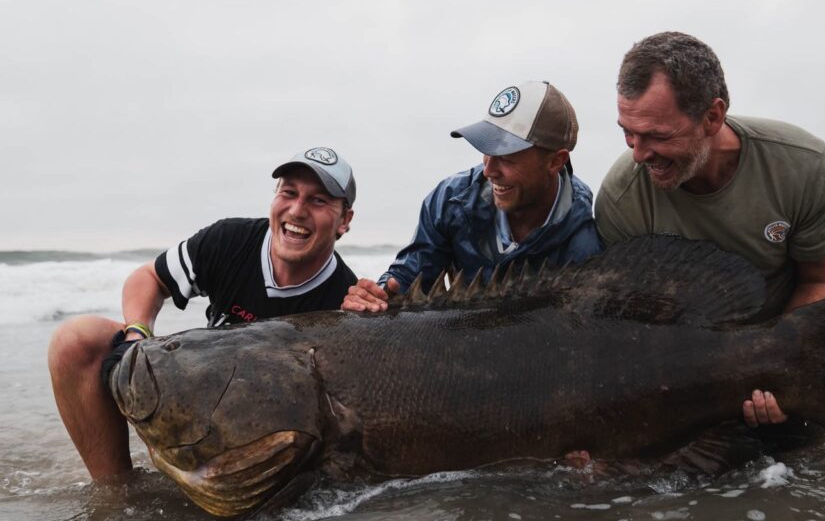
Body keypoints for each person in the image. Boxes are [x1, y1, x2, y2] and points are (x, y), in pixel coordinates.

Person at [48, 147, 359, 481]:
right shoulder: (230, 242)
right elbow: (149, 278)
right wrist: (137, 333)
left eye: (318, 200)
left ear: (344, 220)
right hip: (204, 402)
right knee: (76, 340)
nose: (297, 210)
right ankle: (116, 488)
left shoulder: (344, 302)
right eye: (289, 192)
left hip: (268, 437)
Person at [595, 32, 825, 428]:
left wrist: (782, 375)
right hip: (680, 375)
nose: (639, 153)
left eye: (658, 136)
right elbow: (629, 329)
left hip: (783, 356)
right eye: (628, 131)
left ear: (713, 117)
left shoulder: (806, 167)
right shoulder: (620, 197)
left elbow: (822, 281)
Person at [343, 81, 601, 312]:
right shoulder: (450, 201)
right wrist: (374, 296)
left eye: (507, 157)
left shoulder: (585, 237)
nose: (489, 171)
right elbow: (407, 278)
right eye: (486, 150)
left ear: (555, 162)